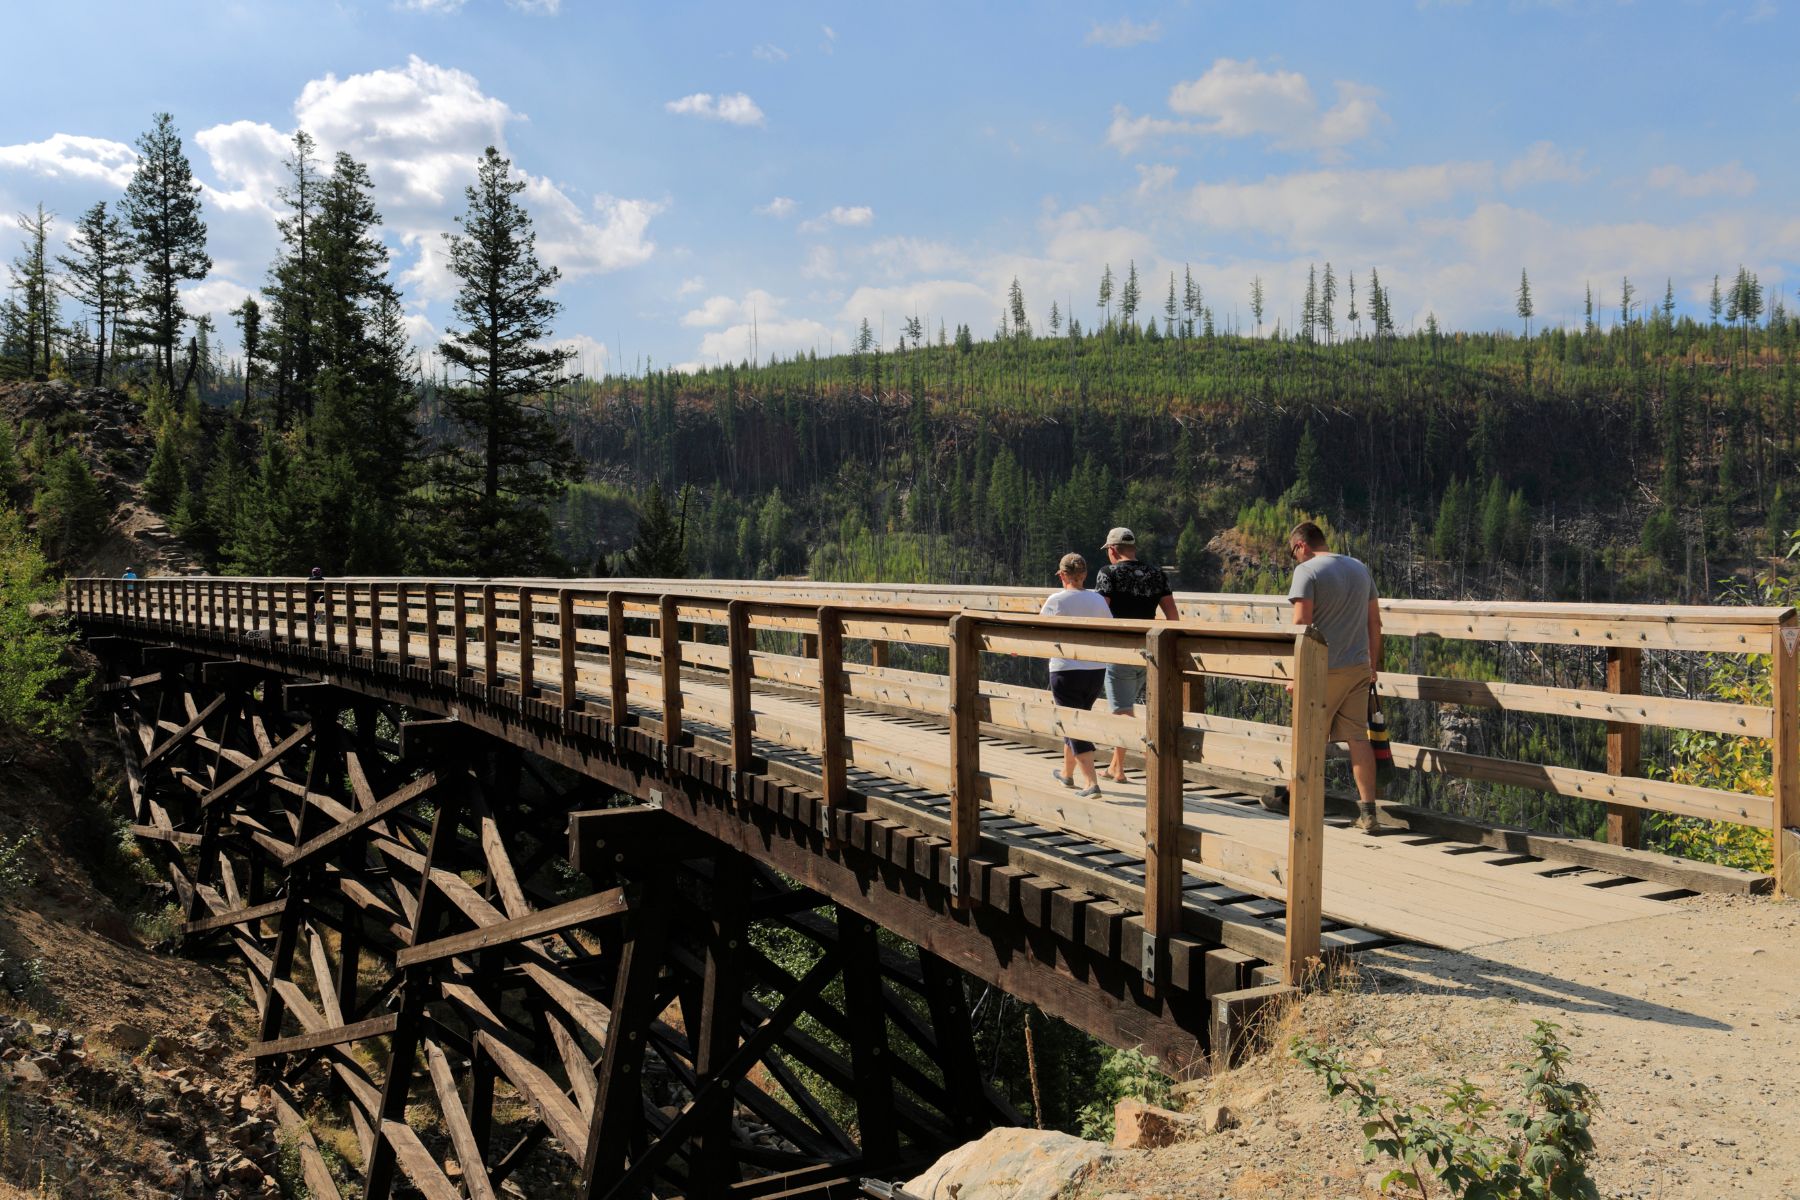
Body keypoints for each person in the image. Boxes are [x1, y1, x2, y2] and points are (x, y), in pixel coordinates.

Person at [1283, 521, 1384, 831]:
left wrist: (1298, 674)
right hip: (1358, 667)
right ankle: (1368, 812)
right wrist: (1372, 666)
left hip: (1322, 669)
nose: (1294, 560)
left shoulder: (1307, 571)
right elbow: (1375, 622)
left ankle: (1299, 805)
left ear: (1301, 546)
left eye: (1292, 554)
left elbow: (1302, 624)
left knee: (1309, 737)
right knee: (1357, 737)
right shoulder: (1359, 568)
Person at [1092, 526, 1179, 782]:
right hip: (1150, 651)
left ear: (1112, 550)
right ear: (1132, 548)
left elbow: (1100, 611)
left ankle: (1118, 770)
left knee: (1121, 711)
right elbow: (1172, 616)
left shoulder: (1107, 573)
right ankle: (1114, 767)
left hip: (1121, 649)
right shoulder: (1157, 574)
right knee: (1127, 708)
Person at [1039, 552, 1111, 798]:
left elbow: (1040, 632)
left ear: (1062, 575)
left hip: (1066, 670)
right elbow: (1110, 629)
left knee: (1074, 724)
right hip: (1095, 671)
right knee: (1076, 720)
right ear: (1084, 575)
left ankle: (1091, 783)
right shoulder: (1099, 600)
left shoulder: (1056, 601)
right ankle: (1067, 774)